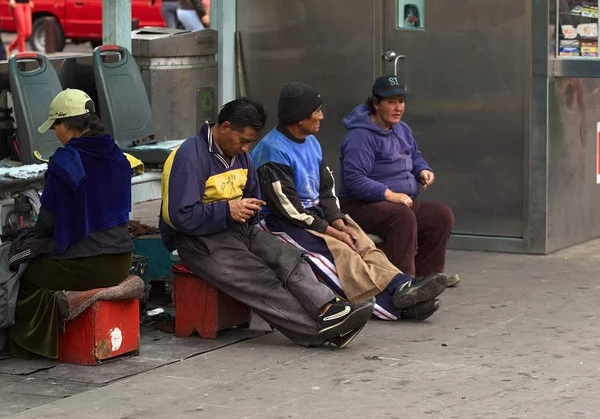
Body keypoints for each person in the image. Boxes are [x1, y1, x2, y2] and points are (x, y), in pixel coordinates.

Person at [159, 98, 374, 349]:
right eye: (243, 140)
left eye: (251, 141)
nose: (246, 149)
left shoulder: (240, 156)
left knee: (289, 257)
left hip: (237, 229)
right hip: (197, 240)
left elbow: (253, 197)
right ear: (225, 127)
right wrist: (227, 210)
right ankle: (320, 332)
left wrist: (247, 211)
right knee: (259, 278)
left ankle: (329, 309)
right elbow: (179, 216)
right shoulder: (190, 155)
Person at [252, 83, 448, 322]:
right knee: (341, 255)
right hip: (281, 223)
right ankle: (394, 308)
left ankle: (402, 285)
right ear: (299, 117)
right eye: (316, 111)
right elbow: (288, 209)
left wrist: (338, 220)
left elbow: (326, 187)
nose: (322, 116)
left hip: (313, 214)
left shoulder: (311, 142)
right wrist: (331, 231)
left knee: (362, 244)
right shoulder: (273, 150)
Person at [6, 89, 139, 359]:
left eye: (56, 125)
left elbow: (46, 223)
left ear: (66, 125)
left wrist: (29, 239)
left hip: (85, 266)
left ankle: (30, 343)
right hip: (122, 260)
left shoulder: (64, 163)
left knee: (19, 269)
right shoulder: (117, 156)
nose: (55, 132)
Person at [339, 75, 457, 284]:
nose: (398, 108)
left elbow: (415, 155)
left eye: (401, 101)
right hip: (363, 206)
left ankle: (427, 277)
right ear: (375, 104)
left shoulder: (402, 129)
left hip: (403, 201)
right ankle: (401, 283)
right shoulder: (360, 137)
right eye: (391, 102)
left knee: (441, 216)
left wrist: (423, 170)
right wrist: (391, 195)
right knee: (402, 217)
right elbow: (355, 180)